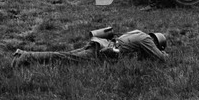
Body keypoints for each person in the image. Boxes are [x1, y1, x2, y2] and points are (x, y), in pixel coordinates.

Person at [11, 29, 169, 68]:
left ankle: (23, 54)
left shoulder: (138, 33)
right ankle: (26, 56)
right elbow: (160, 58)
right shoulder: (147, 40)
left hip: (99, 44)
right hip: (100, 53)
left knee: (64, 55)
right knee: (62, 57)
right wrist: (164, 54)